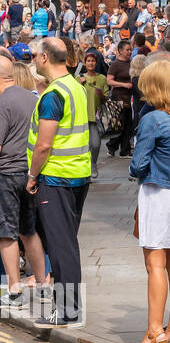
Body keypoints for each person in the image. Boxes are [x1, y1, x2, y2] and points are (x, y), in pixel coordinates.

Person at [26, 37, 92, 327]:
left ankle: (67, 310)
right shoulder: (75, 87)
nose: (31, 60)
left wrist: (32, 175)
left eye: (33, 55)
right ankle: (68, 307)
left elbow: (43, 145)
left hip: (56, 177)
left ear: (44, 59)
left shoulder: (53, 95)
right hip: (78, 174)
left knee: (61, 245)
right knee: (67, 243)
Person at [0, 51, 48, 311]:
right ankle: (42, 287)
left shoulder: (2, 104)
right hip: (29, 174)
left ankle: (15, 290)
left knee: (6, 234)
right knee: (29, 232)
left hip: (5, 176)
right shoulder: (32, 99)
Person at [128, 59, 170, 343]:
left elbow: (138, 165)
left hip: (158, 194)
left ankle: (155, 331)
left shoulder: (153, 119)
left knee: (155, 264)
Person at [78, 49, 107, 181]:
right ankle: (84, 170)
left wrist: (101, 94)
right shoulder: (79, 78)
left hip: (95, 117)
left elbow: (106, 98)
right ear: (85, 63)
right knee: (82, 146)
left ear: (96, 62)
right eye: (88, 61)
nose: (90, 63)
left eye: (93, 61)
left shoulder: (102, 78)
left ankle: (93, 164)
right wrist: (79, 83)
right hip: (81, 117)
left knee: (95, 144)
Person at [105, 39, 134, 157]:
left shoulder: (132, 63)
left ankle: (125, 150)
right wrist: (123, 85)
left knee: (128, 125)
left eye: (130, 49)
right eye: (127, 50)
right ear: (120, 51)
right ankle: (112, 147)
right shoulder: (115, 65)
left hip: (128, 99)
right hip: (118, 98)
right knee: (118, 125)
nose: (130, 52)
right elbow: (109, 81)